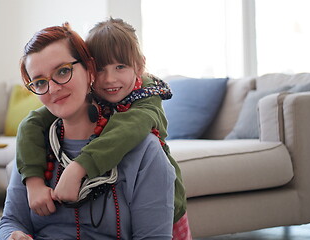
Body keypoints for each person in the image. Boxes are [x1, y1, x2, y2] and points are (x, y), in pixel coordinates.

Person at [0, 23, 176, 240]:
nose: (53, 88)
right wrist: (13, 235)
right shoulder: (36, 146)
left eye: (63, 71)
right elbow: (11, 220)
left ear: (89, 69)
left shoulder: (144, 150)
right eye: (40, 82)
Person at [17, 18, 191, 239]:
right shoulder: (88, 96)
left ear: (139, 66)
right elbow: (31, 123)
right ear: (90, 68)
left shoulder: (148, 99)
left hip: (166, 205)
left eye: (120, 66)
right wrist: (33, 183)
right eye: (100, 69)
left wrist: (78, 168)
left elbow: (126, 129)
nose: (109, 79)